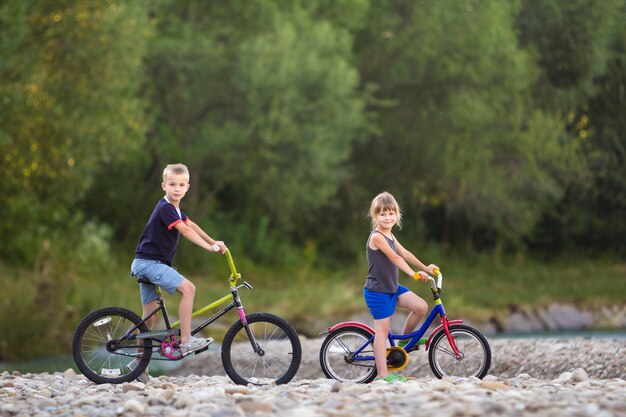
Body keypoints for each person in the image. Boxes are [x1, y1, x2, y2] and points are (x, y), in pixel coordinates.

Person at [127, 163, 227, 382]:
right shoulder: (165, 208)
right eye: (172, 184)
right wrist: (208, 248)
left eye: (181, 185)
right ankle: (186, 340)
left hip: (146, 262)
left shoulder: (176, 209)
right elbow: (185, 230)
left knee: (149, 319)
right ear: (164, 185)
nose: (176, 189)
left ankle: (137, 364)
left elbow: (192, 224)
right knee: (189, 289)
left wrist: (214, 241)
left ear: (187, 187)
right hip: (148, 263)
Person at [364, 191, 439, 383]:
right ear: (375, 216)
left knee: (421, 306)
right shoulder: (377, 237)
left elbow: (404, 253)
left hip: (392, 288)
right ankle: (382, 375)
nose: (387, 217)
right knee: (382, 331)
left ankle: (405, 341)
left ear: (397, 215)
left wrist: (425, 268)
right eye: (382, 214)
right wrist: (413, 274)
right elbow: (395, 258)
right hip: (378, 292)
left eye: (391, 213)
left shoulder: (390, 235)